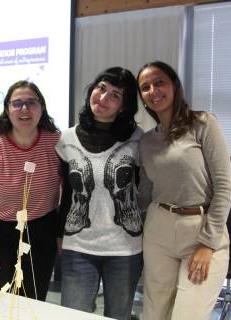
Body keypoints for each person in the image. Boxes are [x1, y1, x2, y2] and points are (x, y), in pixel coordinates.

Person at [136, 61, 231, 320]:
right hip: (159, 229)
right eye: (145, 87)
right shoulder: (146, 141)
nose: (153, 90)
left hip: (200, 230)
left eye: (159, 82)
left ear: (174, 85)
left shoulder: (204, 124)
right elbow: (145, 195)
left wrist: (207, 243)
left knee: (187, 315)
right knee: (154, 313)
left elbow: (224, 188)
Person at [55, 67, 143, 319]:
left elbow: (145, 192)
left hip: (124, 248)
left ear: (124, 106)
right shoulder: (66, 139)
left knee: (119, 314)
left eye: (115, 95)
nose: (103, 98)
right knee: (74, 314)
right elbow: (67, 193)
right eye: (101, 89)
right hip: (79, 245)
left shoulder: (137, 139)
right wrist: (61, 235)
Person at [0, 80, 61, 301]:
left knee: (33, 303)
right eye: (17, 103)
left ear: (42, 107)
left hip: (41, 232)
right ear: (7, 110)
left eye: (31, 103)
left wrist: (60, 235)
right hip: (0, 235)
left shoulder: (55, 142)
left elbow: (69, 193)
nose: (24, 109)